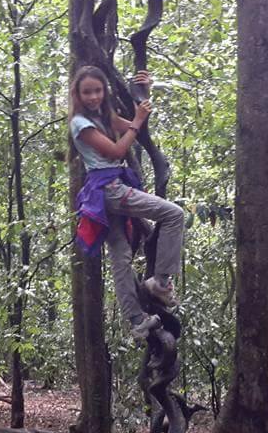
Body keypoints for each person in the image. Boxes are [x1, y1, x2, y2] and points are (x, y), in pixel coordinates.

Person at [69, 65, 184, 339]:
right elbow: (119, 149)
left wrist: (143, 92)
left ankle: (137, 320)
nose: (93, 96)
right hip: (108, 190)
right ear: (78, 94)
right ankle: (161, 282)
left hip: (108, 192)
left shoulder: (102, 115)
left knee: (120, 258)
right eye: (87, 92)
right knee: (174, 215)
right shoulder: (80, 123)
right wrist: (136, 120)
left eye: (97, 90)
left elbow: (134, 124)